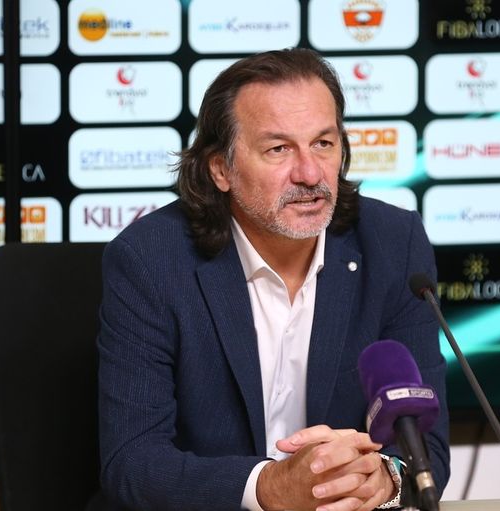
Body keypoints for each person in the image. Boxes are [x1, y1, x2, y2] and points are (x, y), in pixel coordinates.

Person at [97, 48, 449, 510]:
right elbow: (132, 463)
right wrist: (267, 487)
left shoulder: (393, 244)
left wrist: (386, 479)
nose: (309, 173)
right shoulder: (149, 260)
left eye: (323, 143)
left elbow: (426, 444)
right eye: (278, 149)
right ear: (220, 169)